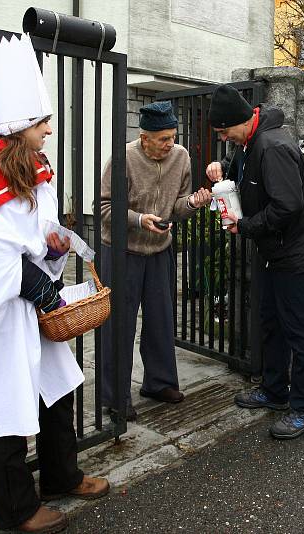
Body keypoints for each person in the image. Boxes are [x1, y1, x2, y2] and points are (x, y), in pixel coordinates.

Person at [0, 34, 108, 533]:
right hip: (0, 313)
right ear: (18, 127)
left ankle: (61, 474)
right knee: (7, 405)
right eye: (42, 122)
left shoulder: (25, 167)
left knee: (56, 388)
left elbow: (29, 236)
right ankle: (13, 509)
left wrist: (52, 248)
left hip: (28, 305)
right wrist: (34, 278)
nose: (49, 130)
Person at [205, 84, 304, 440]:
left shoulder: (273, 147)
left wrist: (245, 226)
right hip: (275, 250)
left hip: (296, 252)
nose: (224, 138)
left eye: (224, 132)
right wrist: (222, 167)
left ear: (242, 122)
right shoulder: (251, 142)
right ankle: (275, 391)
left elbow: (287, 206)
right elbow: (241, 166)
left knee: (300, 330)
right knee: (271, 322)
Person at [100, 101, 212, 422]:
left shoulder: (181, 157)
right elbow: (104, 207)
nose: (170, 144)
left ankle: (159, 383)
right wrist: (138, 219)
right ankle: (115, 397)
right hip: (122, 251)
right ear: (144, 137)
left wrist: (192, 202)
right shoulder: (123, 159)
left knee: (161, 320)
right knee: (119, 326)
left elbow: (177, 206)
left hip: (160, 249)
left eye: (173, 136)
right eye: (163, 138)